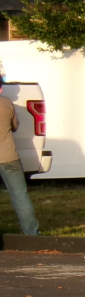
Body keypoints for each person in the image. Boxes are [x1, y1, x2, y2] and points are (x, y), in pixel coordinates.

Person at [0, 86, 39, 235]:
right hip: (8, 156)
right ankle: (31, 234)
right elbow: (15, 126)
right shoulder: (7, 103)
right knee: (20, 196)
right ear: (1, 89)